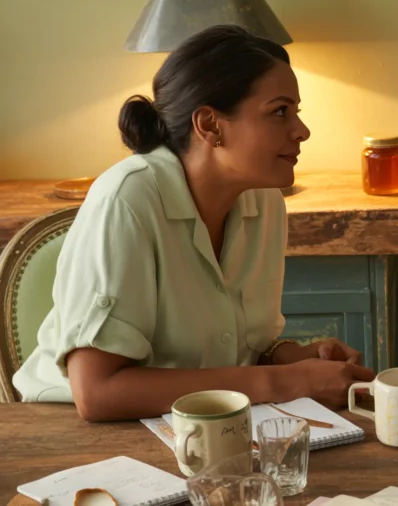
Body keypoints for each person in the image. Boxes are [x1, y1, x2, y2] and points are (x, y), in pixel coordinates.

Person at [13, 25, 375, 420]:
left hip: (200, 424)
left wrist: (289, 358)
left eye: (296, 112)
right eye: (280, 112)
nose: (301, 131)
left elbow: (232, 351)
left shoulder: (265, 201)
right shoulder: (128, 199)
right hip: (69, 432)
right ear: (210, 125)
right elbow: (98, 393)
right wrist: (287, 382)